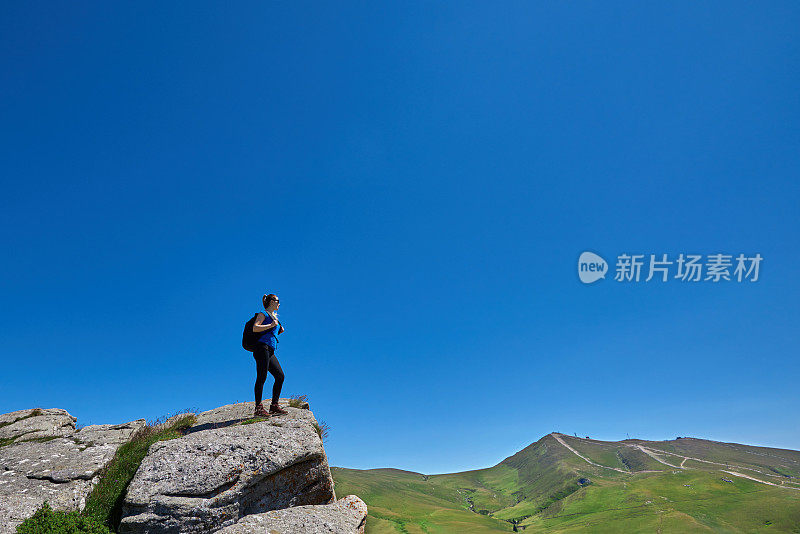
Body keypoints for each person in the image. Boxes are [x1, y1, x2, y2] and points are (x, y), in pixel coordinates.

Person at [251, 293, 288, 417]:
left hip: (270, 350)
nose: (279, 304)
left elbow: (273, 332)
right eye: (277, 301)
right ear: (272, 301)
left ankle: (274, 406)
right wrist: (272, 325)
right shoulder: (263, 314)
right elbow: (255, 328)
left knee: (280, 376)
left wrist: (278, 329)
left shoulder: (274, 317)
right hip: (261, 348)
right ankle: (258, 408)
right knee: (262, 376)